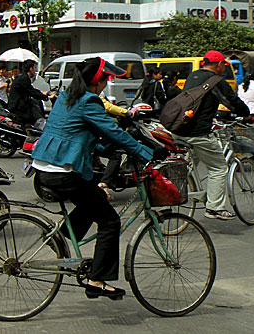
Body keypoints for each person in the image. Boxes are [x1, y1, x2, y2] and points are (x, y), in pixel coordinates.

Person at [32, 57, 159, 300]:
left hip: (45, 167)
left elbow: (79, 133)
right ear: (96, 80)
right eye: (106, 79)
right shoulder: (89, 100)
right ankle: (97, 281)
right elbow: (112, 131)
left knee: (96, 197)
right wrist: (146, 152)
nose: (106, 84)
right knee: (110, 221)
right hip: (63, 171)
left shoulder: (66, 96)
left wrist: (106, 149)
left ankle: (61, 236)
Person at [174, 50, 250, 221]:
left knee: (190, 162)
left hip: (179, 129)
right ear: (219, 64)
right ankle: (214, 208)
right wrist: (246, 114)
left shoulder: (192, 76)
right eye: (224, 65)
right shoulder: (216, 80)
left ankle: (182, 188)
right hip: (197, 132)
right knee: (219, 168)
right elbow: (232, 101)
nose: (224, 68)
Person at [7, 60, 55, 127]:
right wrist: (47, 97)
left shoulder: (23, 77)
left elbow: (31, 89)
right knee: (35, 115)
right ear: (30, 69)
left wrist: (42, 93)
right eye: (34, 68)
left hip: (19, 106)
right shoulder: (24, 79)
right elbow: (31, 92)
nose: (35, 70)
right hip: (18, 108)